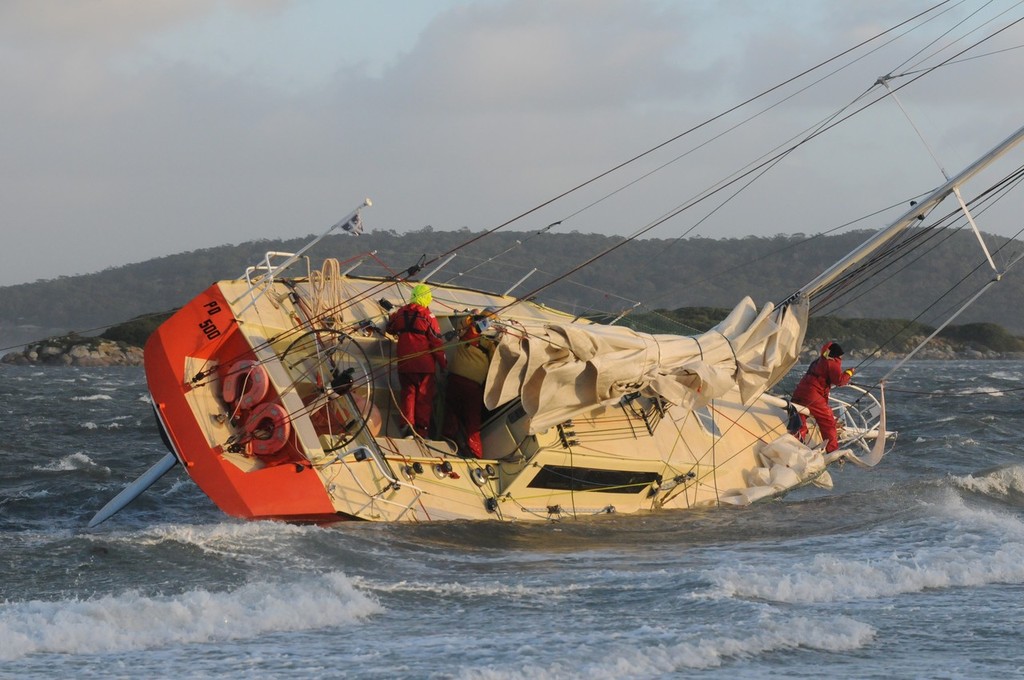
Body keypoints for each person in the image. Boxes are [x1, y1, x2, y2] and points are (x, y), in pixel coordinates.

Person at [385, 283, 447, 438]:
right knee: (424, 398)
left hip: (405, 363)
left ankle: (407, 427)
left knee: (408, 394)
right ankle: (421, 430)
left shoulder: (401, 313)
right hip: (424, 366)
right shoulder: (428, 316)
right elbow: (436, 342)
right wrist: (443, 363)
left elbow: (390, 328)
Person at [443, 308, 500, 458]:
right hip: (473, 385)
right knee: (472, 420)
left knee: (451, 409)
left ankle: (448, 436)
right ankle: (475, 452)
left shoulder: (465, 329)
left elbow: (461, 324)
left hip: (455, 378)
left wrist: (472, 316)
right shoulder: (490, 341)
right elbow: (496, 361)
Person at [791, 340, 854, 453]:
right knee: (827, 420)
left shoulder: (818, 361)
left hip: (800, 391)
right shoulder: (832, 363)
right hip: (812, 394)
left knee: (801, 415)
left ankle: (797, 441)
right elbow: (839, 381)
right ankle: (832, 450)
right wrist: (849, 373)